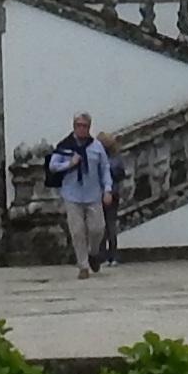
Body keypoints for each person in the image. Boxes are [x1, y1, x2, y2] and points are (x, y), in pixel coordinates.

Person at [48, 112, 118, 276]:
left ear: (89, 127)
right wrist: (69, 164)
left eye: (84, 126)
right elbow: (53, 166)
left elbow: (105, 169)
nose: (81, 129)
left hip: (93, 194)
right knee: (77, 231)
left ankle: (93, 253)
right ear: (74, 127)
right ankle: (83, 265)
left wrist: (107, 189)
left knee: (97, 229)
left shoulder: (96, 147)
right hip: (72, 195)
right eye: (78, 125)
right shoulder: (65, 145)